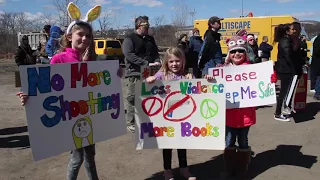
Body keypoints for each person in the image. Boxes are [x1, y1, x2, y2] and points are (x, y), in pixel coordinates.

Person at [17, 3, 110, 180]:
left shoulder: (92, 59)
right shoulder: (60, 58)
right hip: (68, 114)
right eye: (80, 34)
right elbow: (46, 84)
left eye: (88, 36)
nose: (84, 38)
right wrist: (29, 95)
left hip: (88, 112)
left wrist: (115, 73)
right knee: (76, 157)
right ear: (69, 36)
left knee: (90, 156)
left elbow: (102, 83)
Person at [146, 47, 214, 180]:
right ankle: (167, 171)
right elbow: (146, 90)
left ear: (182, 61)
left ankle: (184, 169)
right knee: (167, 146)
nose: (174, 64)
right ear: (166, 62)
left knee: (182, 144)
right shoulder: (161, 75)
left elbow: (200, 90)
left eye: (177, 61)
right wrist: (149, 80)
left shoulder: (187, 76)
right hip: (165, 119)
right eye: (171, 61)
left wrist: (208, 80)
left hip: (183, 118)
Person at [222, 35, 266, 179]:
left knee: (243, 141)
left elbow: (264, 82)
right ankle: (229, 167)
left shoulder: (252, 70)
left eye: (240, 51)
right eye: (233, 52)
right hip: (229, 115)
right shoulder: (223, 70)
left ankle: (242, 168)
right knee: (228, 141)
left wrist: (270, 77)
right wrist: (211, 79)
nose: (237, 54)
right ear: (229, 54)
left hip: (246, 115)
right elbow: (214, 86)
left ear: (246, 53)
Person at [122, 15, 161, 132]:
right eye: (146, 25)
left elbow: (155, 53)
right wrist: (145, 63)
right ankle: (131, 122)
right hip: (134, 73)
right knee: (132, 98)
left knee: (149, 97)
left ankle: (146, 121)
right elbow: (129, 55)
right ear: (139, 26)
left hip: (150, 73)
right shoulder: (130, 38)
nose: (148, 27)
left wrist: (157, 61)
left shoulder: (150, 39)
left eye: (149, 25)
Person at [273, 23, 296, 122]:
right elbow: (288, 56)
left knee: (285, 91)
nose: (293, 31)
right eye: (292, 29)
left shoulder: (285, 41)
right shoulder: (285, 41)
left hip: (284, 69)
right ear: (287, 31)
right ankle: (278, 113)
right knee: (283, 92)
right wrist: (294, 68)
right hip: (285, 69)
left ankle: (282, 110)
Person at [310, 35, 320, 100]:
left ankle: (317, 93)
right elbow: (317, 51)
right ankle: (317, 93)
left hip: (317, 62)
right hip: (318, 62)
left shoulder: (317, 38)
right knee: (319, 77)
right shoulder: (318, 39)